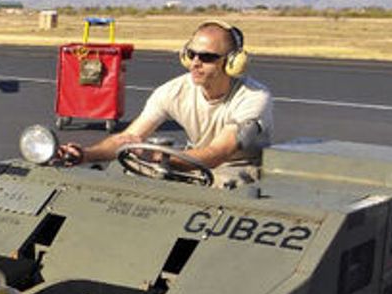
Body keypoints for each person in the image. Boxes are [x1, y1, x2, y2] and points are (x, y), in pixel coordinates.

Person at [57, 20, 273, 186]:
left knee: (221, 186)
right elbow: (128, 139)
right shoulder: (172, 91)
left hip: (236, 167)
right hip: (192, 162)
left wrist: (157, 156)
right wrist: (85, 154)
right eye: (191, 54)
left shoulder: (253, 97)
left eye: (207, 57)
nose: (195, 63)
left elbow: (217, 153)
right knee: (127, 167)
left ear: (233, 62)